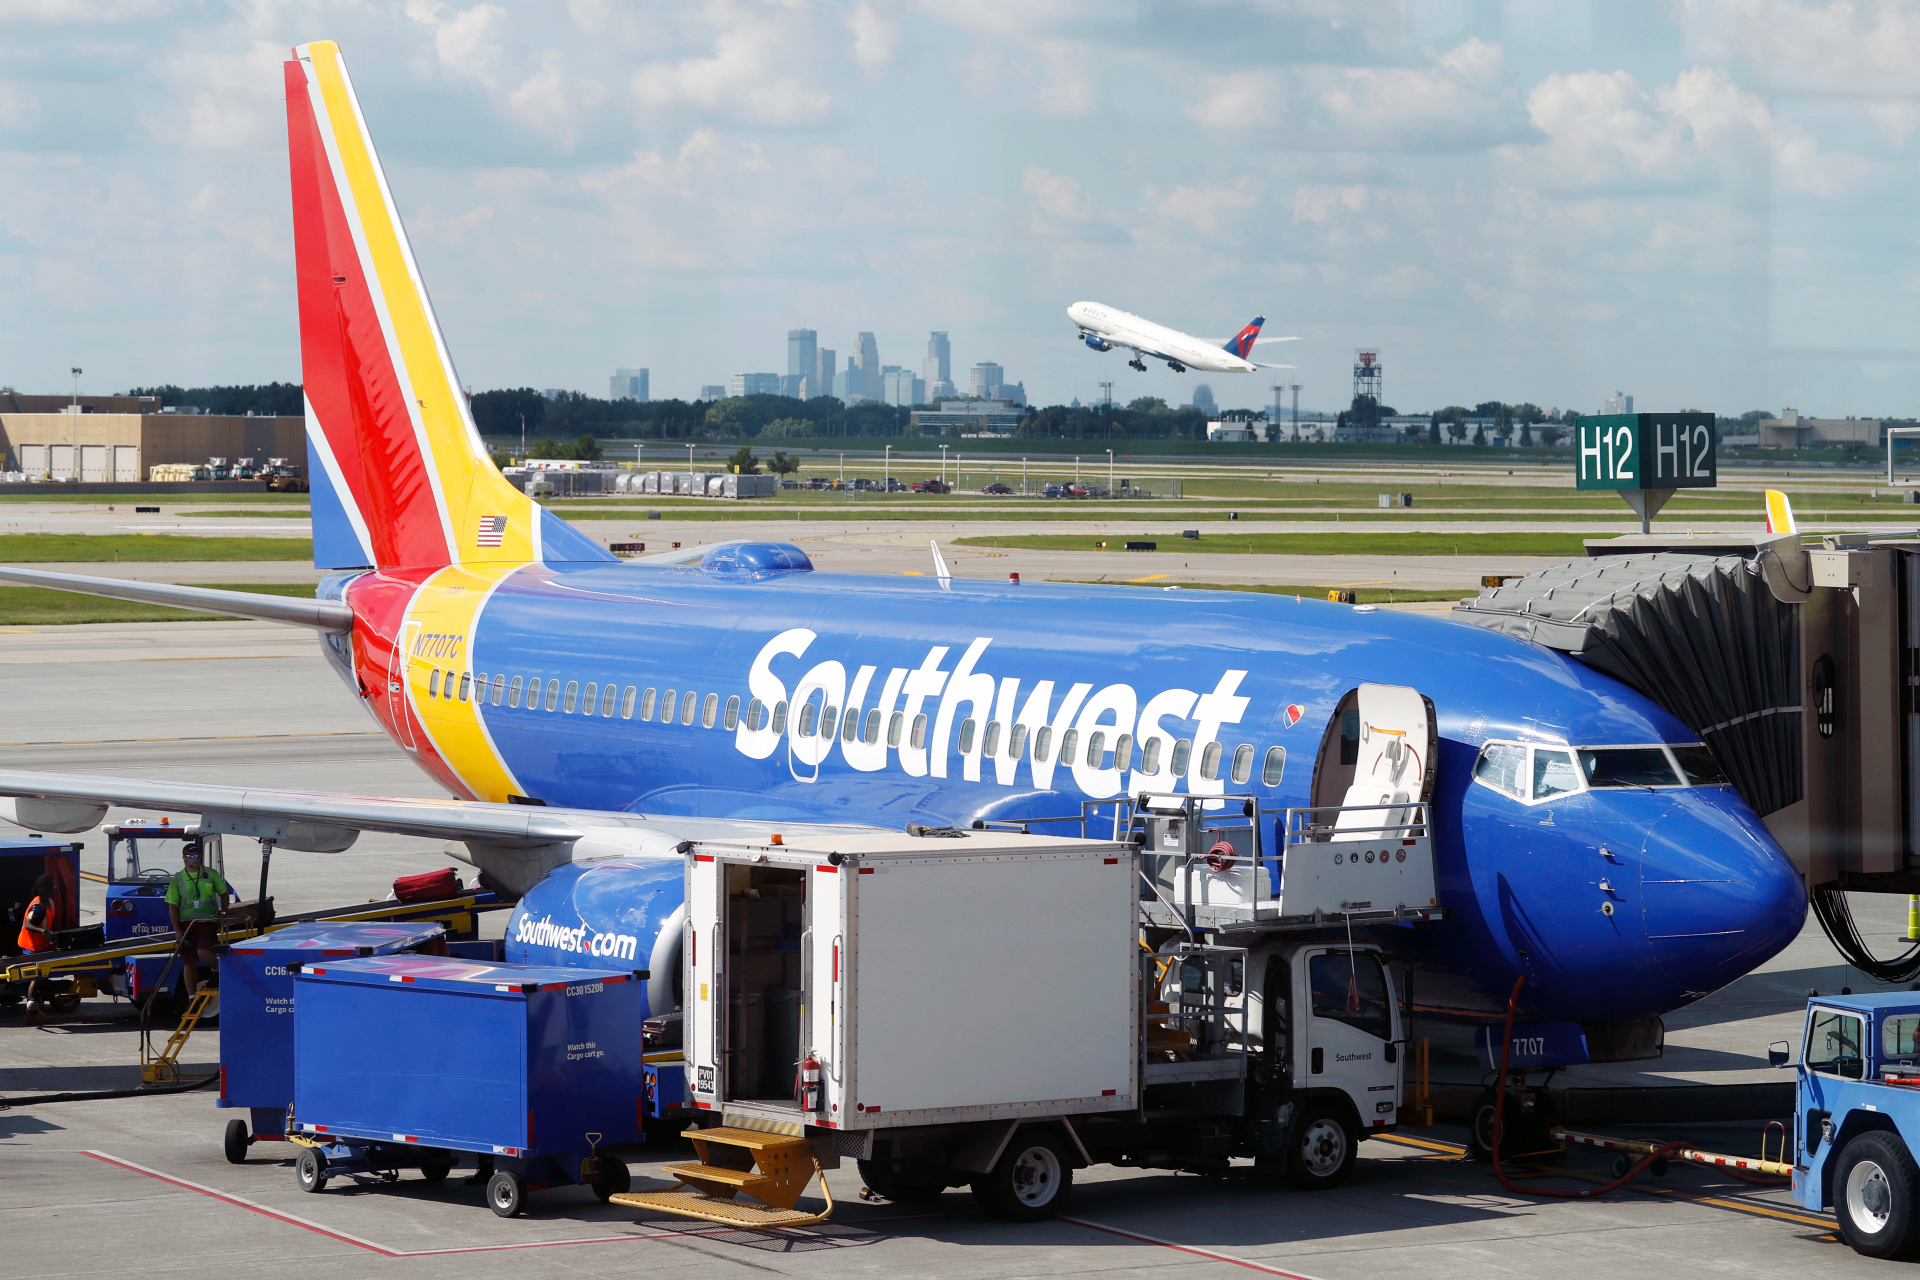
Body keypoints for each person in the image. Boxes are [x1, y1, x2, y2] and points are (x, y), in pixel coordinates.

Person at [166, 839, 232, 995]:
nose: (196, 859)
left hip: (207, 922)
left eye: (198, 856)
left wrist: (223, 913)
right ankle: (191, 997)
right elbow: (173, 907)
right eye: (192, 857)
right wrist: (177, 931)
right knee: (189, 962)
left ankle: (217, 969)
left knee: (203, 951)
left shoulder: (210, 874)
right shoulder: (178, 879)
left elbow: (224, 894)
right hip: (187, 926)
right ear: (185, 858)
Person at [16, 873, 56, 1020]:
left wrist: (62, 932)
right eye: (53, 886)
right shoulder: (37, 905)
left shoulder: (49, 903)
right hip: (31, 948)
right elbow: (28, 924)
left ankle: (40, 1009)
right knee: (37, 978)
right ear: (47, 888)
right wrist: (44, 931)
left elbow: (52, 922)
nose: (55, 889)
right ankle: (31, 1014)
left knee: (43, 979)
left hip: (42, 947)